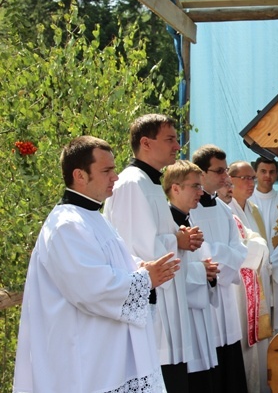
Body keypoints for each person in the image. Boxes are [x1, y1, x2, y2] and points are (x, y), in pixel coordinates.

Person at [14, 136, 180, 393]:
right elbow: (92, 288)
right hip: (83, 362)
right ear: (80, 175)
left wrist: (139, 266)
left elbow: (113, 263)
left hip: (104, 356)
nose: (115, 177)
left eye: (114, 169)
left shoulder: (92, 215)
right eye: (107, 170)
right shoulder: (66, 225)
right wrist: (145, 278)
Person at [104, 113, 204, 392]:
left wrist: (178, 237)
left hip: (166, 303)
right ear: (146, 143)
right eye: (170, 139)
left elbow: (156, 237)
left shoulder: (149, 184)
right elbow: (135, 249)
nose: (177, 146)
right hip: (150, 306)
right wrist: (178, 242)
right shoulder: (130, 184)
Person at [190, 144, 249, 393]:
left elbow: (240, 248)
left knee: (231, 371)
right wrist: (223, 256)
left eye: (226, 171)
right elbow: (196, 248)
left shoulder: (226, 210)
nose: (226, 177)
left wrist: (222, 256)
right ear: (201, 174)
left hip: (225, 297)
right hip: (205, 295)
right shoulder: (189, 210)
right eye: (219, 171)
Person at [164, 160, 221, 393]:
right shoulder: (168, 226)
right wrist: (202, 271)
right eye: (194, 187)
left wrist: (209, 273)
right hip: (182, 317)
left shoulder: (190, 219)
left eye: (200, 186)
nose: (201, 192)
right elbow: (169, 271)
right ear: (175, 188)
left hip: (198, 313)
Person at [228, 160, 273, 392]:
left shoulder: (253, 209)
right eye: (244, 178)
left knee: (259, 350)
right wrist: (256, 245)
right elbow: (244, 248)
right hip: (239, 289)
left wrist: (257, 246)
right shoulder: (226, 208)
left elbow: (261, 243)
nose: (250, 183)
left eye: (251, 178)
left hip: (258, 282)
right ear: (230, 179)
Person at [249, 156, 278, 335]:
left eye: (271, 172)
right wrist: (260, 265)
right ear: (255, 173)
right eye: (263, 171)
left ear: (276, 174)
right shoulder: (246, 202)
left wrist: (271, 267)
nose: (267, 176)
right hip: (254, 270)